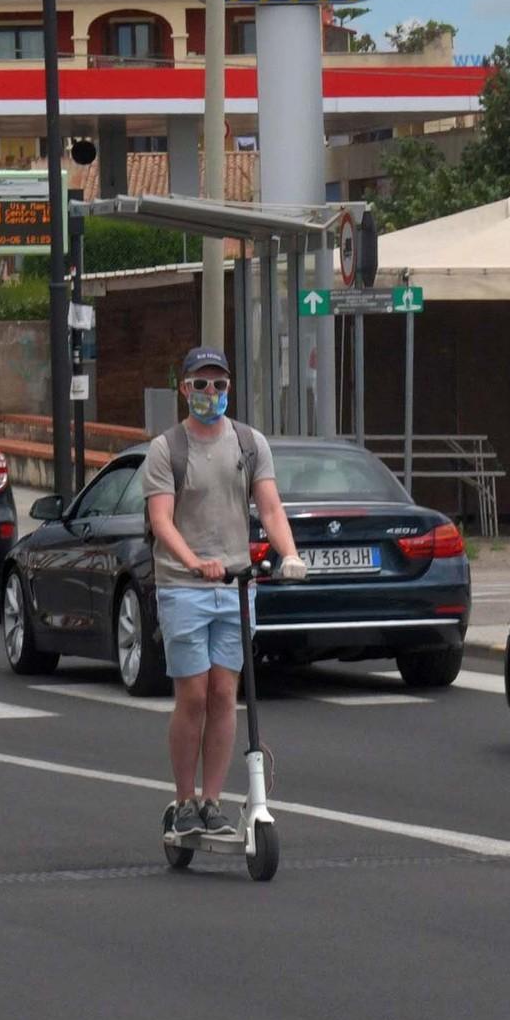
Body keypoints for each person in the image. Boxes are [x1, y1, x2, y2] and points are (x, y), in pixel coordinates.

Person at [144, 347, 306, 837]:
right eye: (200, 385)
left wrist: (290, 554)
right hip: (183, 587)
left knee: (223, 692)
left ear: (229, 389)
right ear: (184, 389)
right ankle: (184, 799)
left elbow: (271, 508)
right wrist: (193, 561)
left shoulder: (250, 444)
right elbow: (160, 521)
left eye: (218, 385)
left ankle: (212, 801)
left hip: (235, 586)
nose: (210, 394)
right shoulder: (166, 449)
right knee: (192, 695)